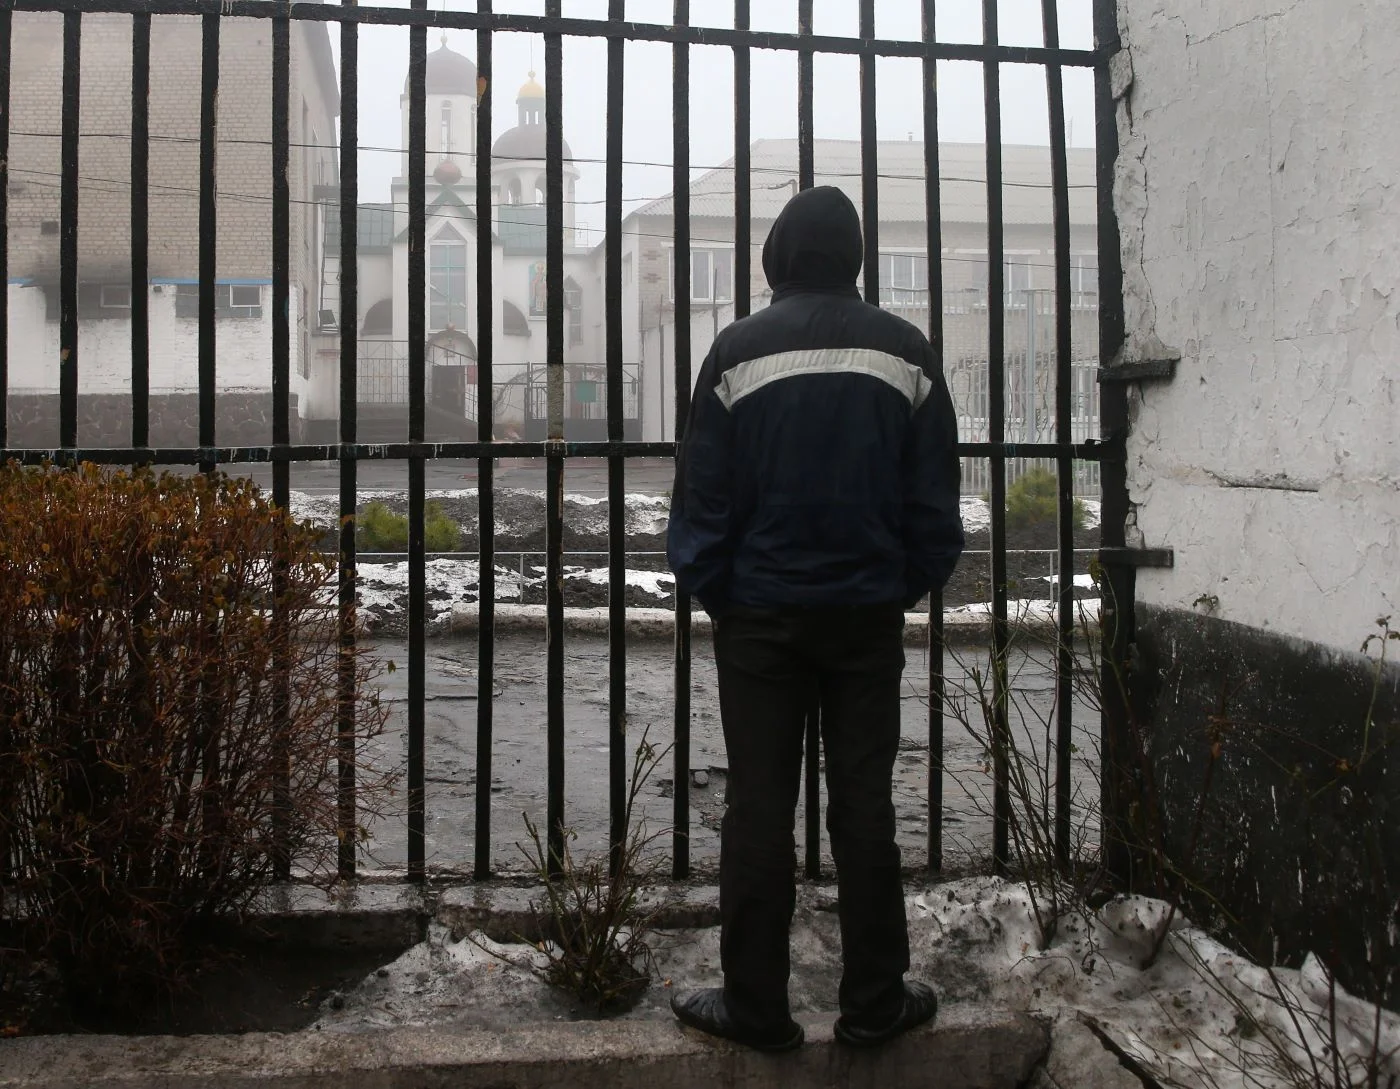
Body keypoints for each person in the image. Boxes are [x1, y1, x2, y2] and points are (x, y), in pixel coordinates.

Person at [666, 186, 964, 1052]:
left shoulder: (736, 351)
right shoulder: (905, 352)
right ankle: (874, 1002)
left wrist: (725, 595)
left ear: (777, 256)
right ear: (855, 256)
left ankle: (756, 1009)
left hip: (761, 619)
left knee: (757, 809)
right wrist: (895, 587)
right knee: (865, 805)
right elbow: (935, 503)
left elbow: (702, 499)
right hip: (865, 617)